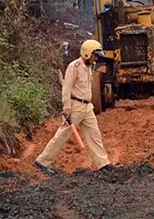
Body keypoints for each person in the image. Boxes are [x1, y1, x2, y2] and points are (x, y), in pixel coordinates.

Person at [34, 40, 113, 174]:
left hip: (87, 107)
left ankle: (103, 164)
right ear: (87, 53)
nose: (96, 58)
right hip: (75, 106)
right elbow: (66, 88)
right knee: (63, 134)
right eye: (95, 55)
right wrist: (67, 107)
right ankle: (42, 161)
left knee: (95, 135)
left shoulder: (89, 67)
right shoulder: (74, 66)